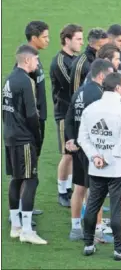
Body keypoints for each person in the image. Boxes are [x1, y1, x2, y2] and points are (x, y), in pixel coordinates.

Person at [77, 72, 121, 260]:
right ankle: (119, 250)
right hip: (117, 169)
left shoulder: (90, 109)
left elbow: (82, 138)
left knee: (92, 205)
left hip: (96, 167)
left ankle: (88, 244)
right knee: (117, 209)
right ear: (118, 88)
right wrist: (106, 158)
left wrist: (95, 157)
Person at [64, 59, 115, 242]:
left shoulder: (80, 91)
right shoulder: (98, 94)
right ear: (101, 75)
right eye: (111, 74)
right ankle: (97, 231)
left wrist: (70, 139)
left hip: (78, 149)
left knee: (79, 188)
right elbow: (98, 126)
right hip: (91, 149)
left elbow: (69, 118)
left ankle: (76, 229)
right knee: (96, 190)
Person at [4, 45, 47, 244]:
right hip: (24, 138)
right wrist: (37, 137)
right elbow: (32, 114)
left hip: (10, 135)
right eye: (36, 60)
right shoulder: (26, 81)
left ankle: (16, 225)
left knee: (16, 178)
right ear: (28, 60)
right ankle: (27, 231)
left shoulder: (9, 79)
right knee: (31, 179)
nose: (37, 64)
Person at [51, 24, 84, 207]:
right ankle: (62, 191)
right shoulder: (60, 62)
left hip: (76, 113)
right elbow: (73, 87)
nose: (81, 42)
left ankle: (71, 188)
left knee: (75, 153)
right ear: (67, 40)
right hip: (65, 114)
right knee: (68, 154)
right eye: (78, 39)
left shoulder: (75, 59)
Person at [20, 22, 50, 218]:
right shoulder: (27, 62)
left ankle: (25, 206)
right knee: (27, 170)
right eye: (45, 37)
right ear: (34, 37)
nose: (48, 40)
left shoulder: (34, 59)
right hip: (31, 123)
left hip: (38, 120)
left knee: (32, 166)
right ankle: (22, 211)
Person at [70, 28, 109, 95]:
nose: (105, 50)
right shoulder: (80, 64)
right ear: (91, 44)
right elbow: (75, 94)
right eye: (101, 46)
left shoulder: (107, 59)